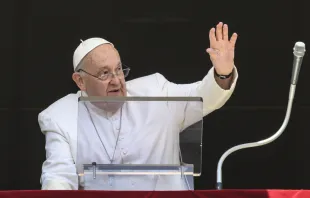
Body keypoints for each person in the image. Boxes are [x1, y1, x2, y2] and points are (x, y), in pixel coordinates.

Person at [38, 22, 239, 190]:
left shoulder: (155, 91)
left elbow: (203, 97)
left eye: (118, 69)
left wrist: (223, 71)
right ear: (80, 81)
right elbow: (58, 176)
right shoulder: (60, 116)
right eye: (104, 73)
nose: (116, 81)